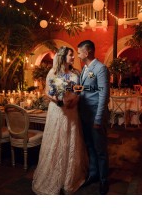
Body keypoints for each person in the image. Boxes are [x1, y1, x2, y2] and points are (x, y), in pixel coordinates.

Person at [32, 46, 88, 195]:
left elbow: (78, 90)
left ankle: (69, 179)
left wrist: (75, 100)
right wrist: (58, 100)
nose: (73, 58)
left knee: (71, 141)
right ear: (63, 57)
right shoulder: (53, 72)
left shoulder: (76, 73)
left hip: (72, 112)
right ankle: (53, 177)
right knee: (57, 141)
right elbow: (46, 91)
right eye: (70, 55)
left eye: (73, 55)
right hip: (57, 111)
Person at [77, 40, 110, 195]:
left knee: (100, 150)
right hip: (85, 114)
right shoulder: (84, 69)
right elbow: (83, 89)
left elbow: (103, 95)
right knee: (90, 147)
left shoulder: (101, 68)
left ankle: (104, 180)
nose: (78, 54)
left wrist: (98, 119)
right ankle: (93, 174)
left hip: (96, 114)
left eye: (79, 52)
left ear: (88, 51)